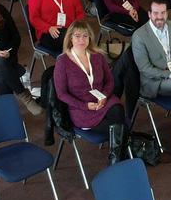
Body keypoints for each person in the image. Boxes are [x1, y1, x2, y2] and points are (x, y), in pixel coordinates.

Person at [53, 21, 127, 164]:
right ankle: (118, 160)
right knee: (119, 127)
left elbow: (110, 81)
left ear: (90, 38)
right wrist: (85, 106)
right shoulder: (62, 61)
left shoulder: (97, 56)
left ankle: (117, 159)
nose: (82, 40)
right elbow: (61, 94)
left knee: (118, 109)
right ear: (70, 39)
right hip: (80, 108)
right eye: (78, 36)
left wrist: (104, 96)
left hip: (101, 101)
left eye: (85, 36)